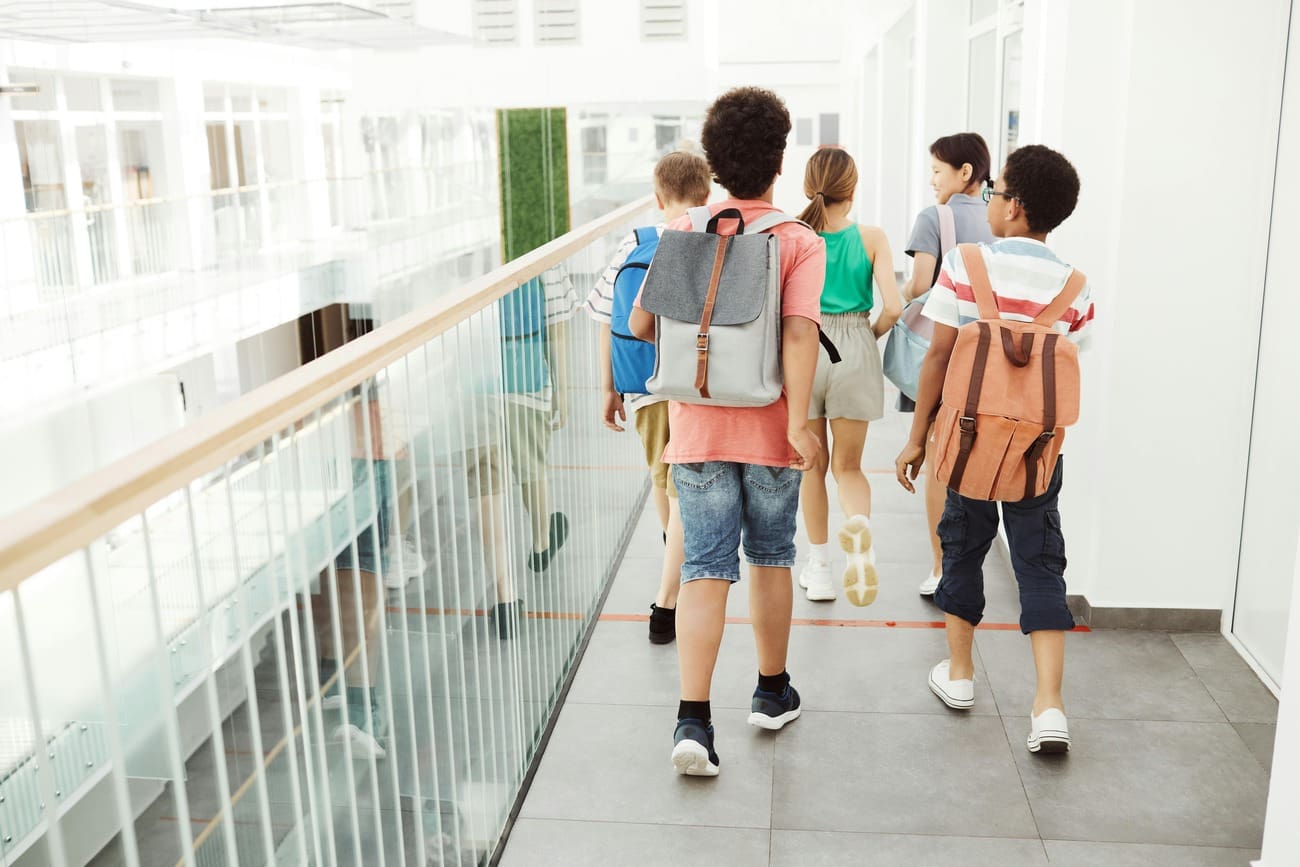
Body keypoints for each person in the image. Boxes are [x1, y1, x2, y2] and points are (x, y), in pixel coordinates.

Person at [629, 87, 825, 777]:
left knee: (705, 567)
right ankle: (771, 692)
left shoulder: (681, 233)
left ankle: (693, 719)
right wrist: (801, 423)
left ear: (713, 163)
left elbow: (644, 325)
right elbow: (800, 336)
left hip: (699, 426)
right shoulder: (798, 240)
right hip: (772, 427)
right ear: (779, 162)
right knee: (771, 555)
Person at [894, 144, 1094, 753]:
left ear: (1016, 206)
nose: (990, 201)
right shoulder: (1076, 289)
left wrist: (916, 437)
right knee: (1039, 561)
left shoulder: (966, 264)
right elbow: (1063, 367)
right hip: (1036, 448)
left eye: (996, 192)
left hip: (969, 437)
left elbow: (938, 355)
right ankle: (1049, 707)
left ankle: (959, 676)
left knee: (963, 545)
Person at [584, 148, 711, 644]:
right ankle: (669, 597)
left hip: (641, 383)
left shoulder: (632, 244)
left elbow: (602, 318)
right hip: (695, 381)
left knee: (664, 478)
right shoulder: (712, 240)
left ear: (658, 198)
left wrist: (609, 388)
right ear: (706, 195)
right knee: (683, 482)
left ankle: (668, 579)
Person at [794, 146, 902, 605]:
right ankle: (858, 539)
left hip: (807, 346)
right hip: (854, 346)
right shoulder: (872, 237)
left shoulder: (796, 237)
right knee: (849, 467)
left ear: (808, 187)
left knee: (812, 466)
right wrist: (867, 336)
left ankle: (819, 569)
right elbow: (894, 307)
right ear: (852, 191)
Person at [900, 133, 996, 597]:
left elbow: (920, 281)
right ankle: (973, 560)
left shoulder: (934, 217)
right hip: (995, 359)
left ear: (964, 172)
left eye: (937, 169)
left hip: (947, 351)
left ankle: (942, 566)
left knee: (939, 456)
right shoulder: (1005, 219)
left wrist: (894, 309)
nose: (932, 178)